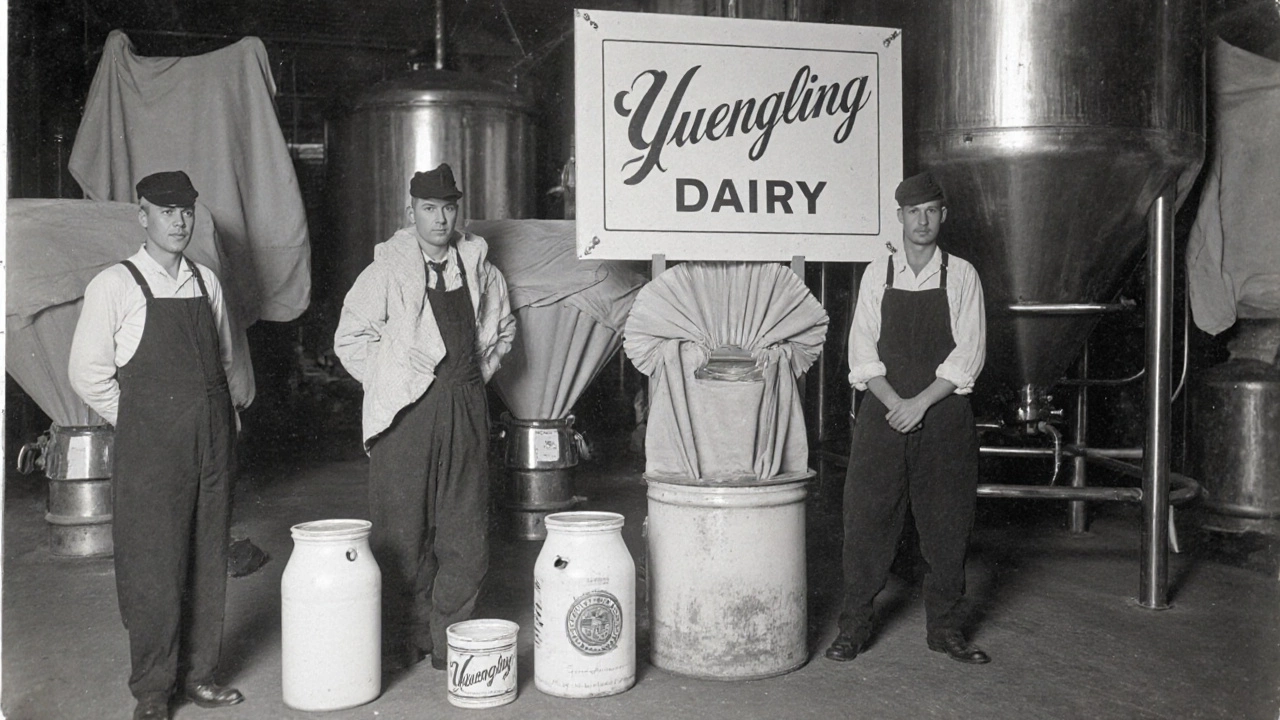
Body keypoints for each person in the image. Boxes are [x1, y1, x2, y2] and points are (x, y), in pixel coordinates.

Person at [69, 170, 252, 720]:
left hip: (212, 440)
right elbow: (87, 374)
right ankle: (152, 690)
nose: (179, 222)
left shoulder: (205, 281)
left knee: (207, 554)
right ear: (142, 215)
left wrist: (217, 421)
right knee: (154, 563)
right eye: (166, 211)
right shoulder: (116, 285)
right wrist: (142, 419)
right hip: (152, 446)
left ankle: (199, 676)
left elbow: (223, 360)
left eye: (186, 211)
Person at [334, 163, 515, 672]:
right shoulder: (385, 271)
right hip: (407, 412)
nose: (440, 219)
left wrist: (475, 374)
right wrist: (393, 376)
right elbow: (350, 339)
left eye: (448, 208)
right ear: (410, 211)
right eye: (429, 208)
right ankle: (404, 637)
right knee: (401, 528)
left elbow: (502, 331)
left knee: (465, 527)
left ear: (459, 212)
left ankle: (447, 637)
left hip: (465, 403)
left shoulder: (480, 269)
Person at [826, 170, 990, 665]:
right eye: (913, 212)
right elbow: (861, 349)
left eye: (931, 211)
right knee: (866, 520)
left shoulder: (962, 275)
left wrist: (918, 404)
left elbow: (969, 354)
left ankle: (946, 629)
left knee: (947, 524)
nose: (922, 221)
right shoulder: (878, 273)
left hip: (943, 415)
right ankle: (854, 628)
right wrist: (894, 401)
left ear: (944, 216)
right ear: (899, 217)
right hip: (883, 411)